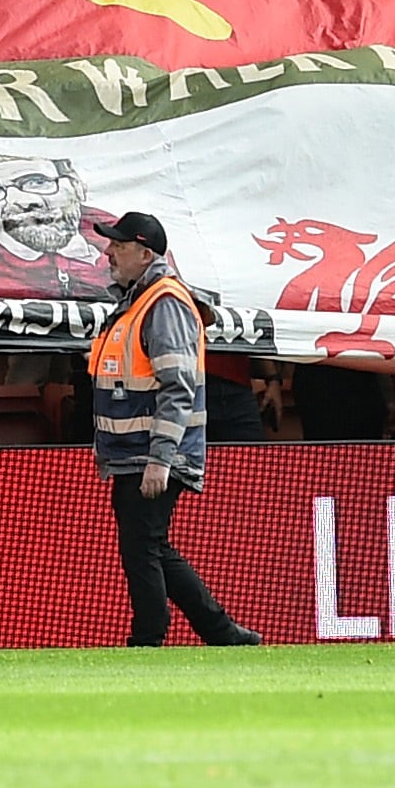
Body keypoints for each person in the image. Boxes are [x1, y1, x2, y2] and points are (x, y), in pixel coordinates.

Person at [83, 208, 256, 648]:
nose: (109, 253)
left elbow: (177, 387)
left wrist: (161, 459)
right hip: (136, 452)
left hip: (152, 452)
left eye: (118, 246)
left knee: (142, 547)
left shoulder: (162, 302)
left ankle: (149, 637)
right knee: (150, 545)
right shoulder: (141, 299)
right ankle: (221, 633)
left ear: (145, 254)